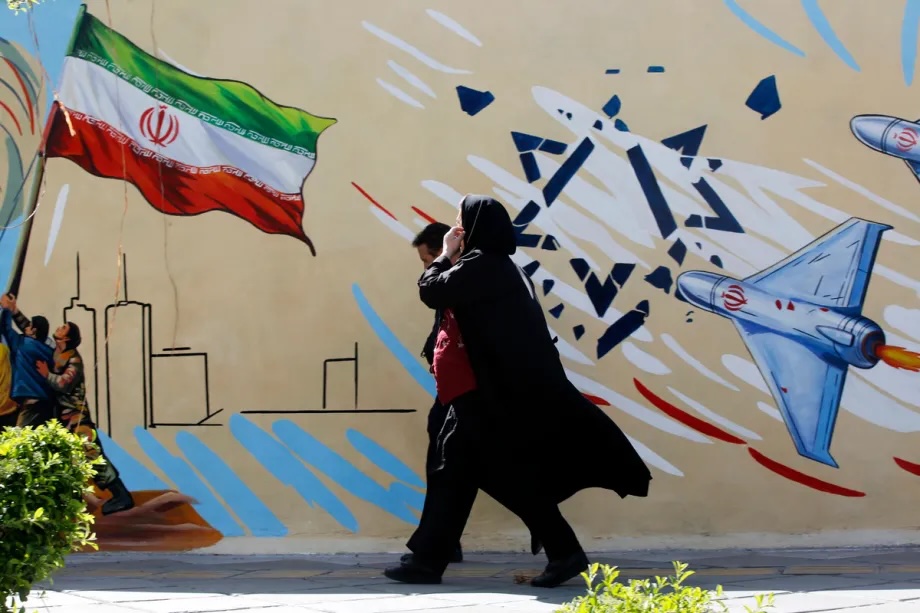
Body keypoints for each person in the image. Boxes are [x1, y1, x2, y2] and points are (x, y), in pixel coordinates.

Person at [385, 195, 652, 588]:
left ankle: (558, 551)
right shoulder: (492, 267)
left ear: (476, 227)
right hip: (481, 393)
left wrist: (444, 254)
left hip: (488, 395)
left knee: (477, 471)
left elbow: (432, 291)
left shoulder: (485, 265)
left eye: (461, 221)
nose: (456, 228)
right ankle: (433, 559)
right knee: (463, 470)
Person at [403, 222, 467, 566]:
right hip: (454, 392)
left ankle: (436, 545)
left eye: (428, 259)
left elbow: (430, 290)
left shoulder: (462, 278)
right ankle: (440, 542)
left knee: (446, 467)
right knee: (449, 469)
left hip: (463, 395)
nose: (428, 267)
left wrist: (442, 258)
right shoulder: (464, 278)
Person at [0, 294, 55, 427]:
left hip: (31, 404)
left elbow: (5, 328)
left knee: (19, 442)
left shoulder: (24, 344)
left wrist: (7, 309)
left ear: (34, 331)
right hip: (44, 403)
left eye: (29, 326)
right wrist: (15, 311)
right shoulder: (48, 350)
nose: (26, 327)